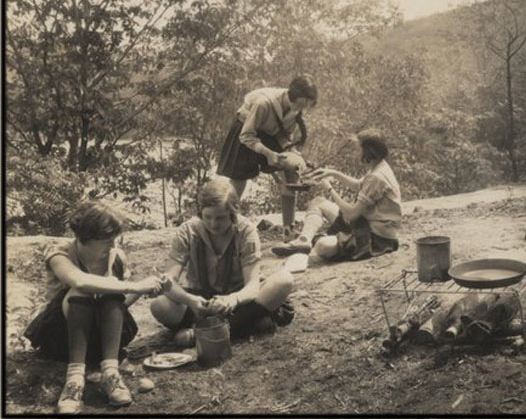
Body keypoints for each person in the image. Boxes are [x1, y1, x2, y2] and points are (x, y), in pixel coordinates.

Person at [23, 201, 171, 414]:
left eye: (114, 240)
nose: (112, 246)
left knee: (110, 294)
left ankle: (111, 374)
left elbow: (118, 306)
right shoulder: (59, 254)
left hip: (102, 340)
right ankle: (74, 381)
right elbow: (80, 282)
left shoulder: (116, 257)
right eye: (106, 241)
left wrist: (142, 290)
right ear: (86, 237)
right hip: (63, 336)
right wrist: (134, 284)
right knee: (84, 290)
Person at [150, 178, 295, 347]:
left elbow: (252, 286)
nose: (213, 224)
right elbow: (169, 282)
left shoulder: (245, 231)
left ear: (233, 214)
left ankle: (202, 334)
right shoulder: (187, 231)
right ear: (200, 212)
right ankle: (243, 326)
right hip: (201, 303)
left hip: (238, 301)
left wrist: (232, 300)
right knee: (159, 305)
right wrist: (190, 300)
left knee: (284, 280)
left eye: (220, 218)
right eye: (207, 217)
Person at [271, 130, 402, 261]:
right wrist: (333, 173)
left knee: (322, 246)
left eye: (359, 149)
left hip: (376, 238)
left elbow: (352, 215)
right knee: (318, 202)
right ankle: (303, 240)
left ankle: (322, 240)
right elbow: (358, 185)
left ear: (368, 151)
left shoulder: (376, 177)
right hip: (365, 225)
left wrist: (329, 189)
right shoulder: (379, 166)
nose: (357, 153)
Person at [216, 75, 318, 239]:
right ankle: (224, 228)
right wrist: (268, 154)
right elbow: (246, 136)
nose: (301, 110)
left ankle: (288, 231)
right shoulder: (263, 103)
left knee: (291, 170)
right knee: (238, 180)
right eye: (300, 105)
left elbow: (285, 137)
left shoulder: (296, 110)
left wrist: (294, 156)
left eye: (305, 107)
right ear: (292, 98)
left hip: (270, 134)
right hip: (245, 132)